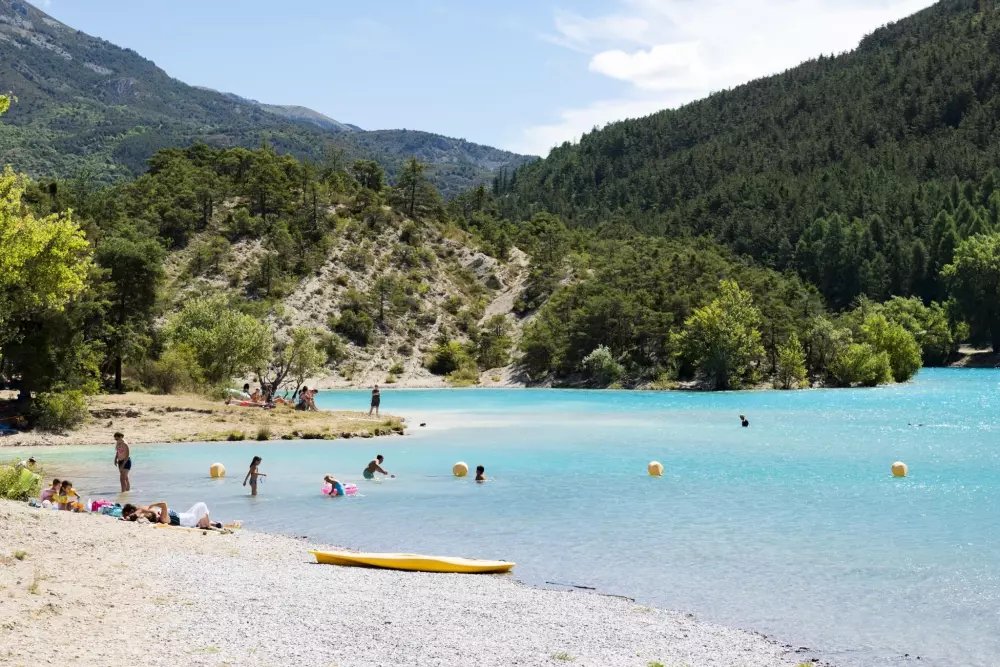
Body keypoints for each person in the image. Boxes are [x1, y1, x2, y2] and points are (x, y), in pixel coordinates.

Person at [121, 501, 217, 529]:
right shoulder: (164, 518)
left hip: (187, 518)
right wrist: (154, 505)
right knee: (202, 505)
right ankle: (208, 525)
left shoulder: (162, 516)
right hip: (189, 520)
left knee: (201, 508)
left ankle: (212, 524)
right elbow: (164, 504)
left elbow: (139, 513)